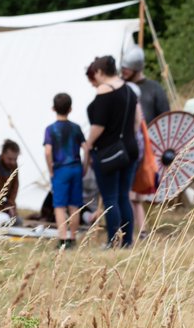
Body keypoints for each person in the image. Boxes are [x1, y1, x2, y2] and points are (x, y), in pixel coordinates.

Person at [83, 56, 139, 248]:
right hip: (130, 149)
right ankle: (127, 241)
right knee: (124, 196)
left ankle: (113, 241)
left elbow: (98, 125)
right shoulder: (130, 90)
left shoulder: (104, 90)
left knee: (110, 197)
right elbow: (137, 122)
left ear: (100, 72)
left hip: (109, 152)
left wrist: (88, 143)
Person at [45, 93, 85, 248]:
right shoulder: (76, 128)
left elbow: (48, 151)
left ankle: (62, 239)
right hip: (76, 167)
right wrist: (85, 166)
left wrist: (50, 169)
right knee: (74, 205)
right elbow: (86, 148)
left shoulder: (50, 129)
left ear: (53, 108)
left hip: (60, 169)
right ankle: (73, 238)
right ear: (70, 109)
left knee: (60, 206)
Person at [121, 44, 170, 125]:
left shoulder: (154, 88)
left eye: (126, 69)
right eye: (123, 68)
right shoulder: (120, 88)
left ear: (136, 68)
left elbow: (165, 118)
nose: (123, 71)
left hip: (149, 132)